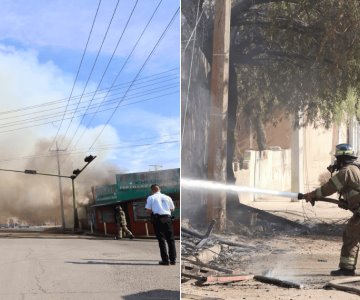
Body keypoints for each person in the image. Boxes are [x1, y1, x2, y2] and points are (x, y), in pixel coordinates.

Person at [304, 143, 360, 276]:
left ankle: (346, 269)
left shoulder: (346, 171)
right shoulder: (355, 170)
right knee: (351, 235)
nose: (335, 162)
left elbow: (329, 187)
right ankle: (347, 268)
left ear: (342, 158)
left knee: (351, 236)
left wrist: (313, 194)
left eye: (337, 159)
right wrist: (347, 203)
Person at [145, 184, 176, 266]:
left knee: (161, 240)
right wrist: (165, 208)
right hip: (168, 219)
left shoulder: (151, 197)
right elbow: (172, 209)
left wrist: (154, 210)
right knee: (171, 240)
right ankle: (173, 260)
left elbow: (148, 210)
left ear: (152, 190)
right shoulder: (167, 197)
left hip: (158, 220)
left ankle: (165, 261)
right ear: (160, 189)